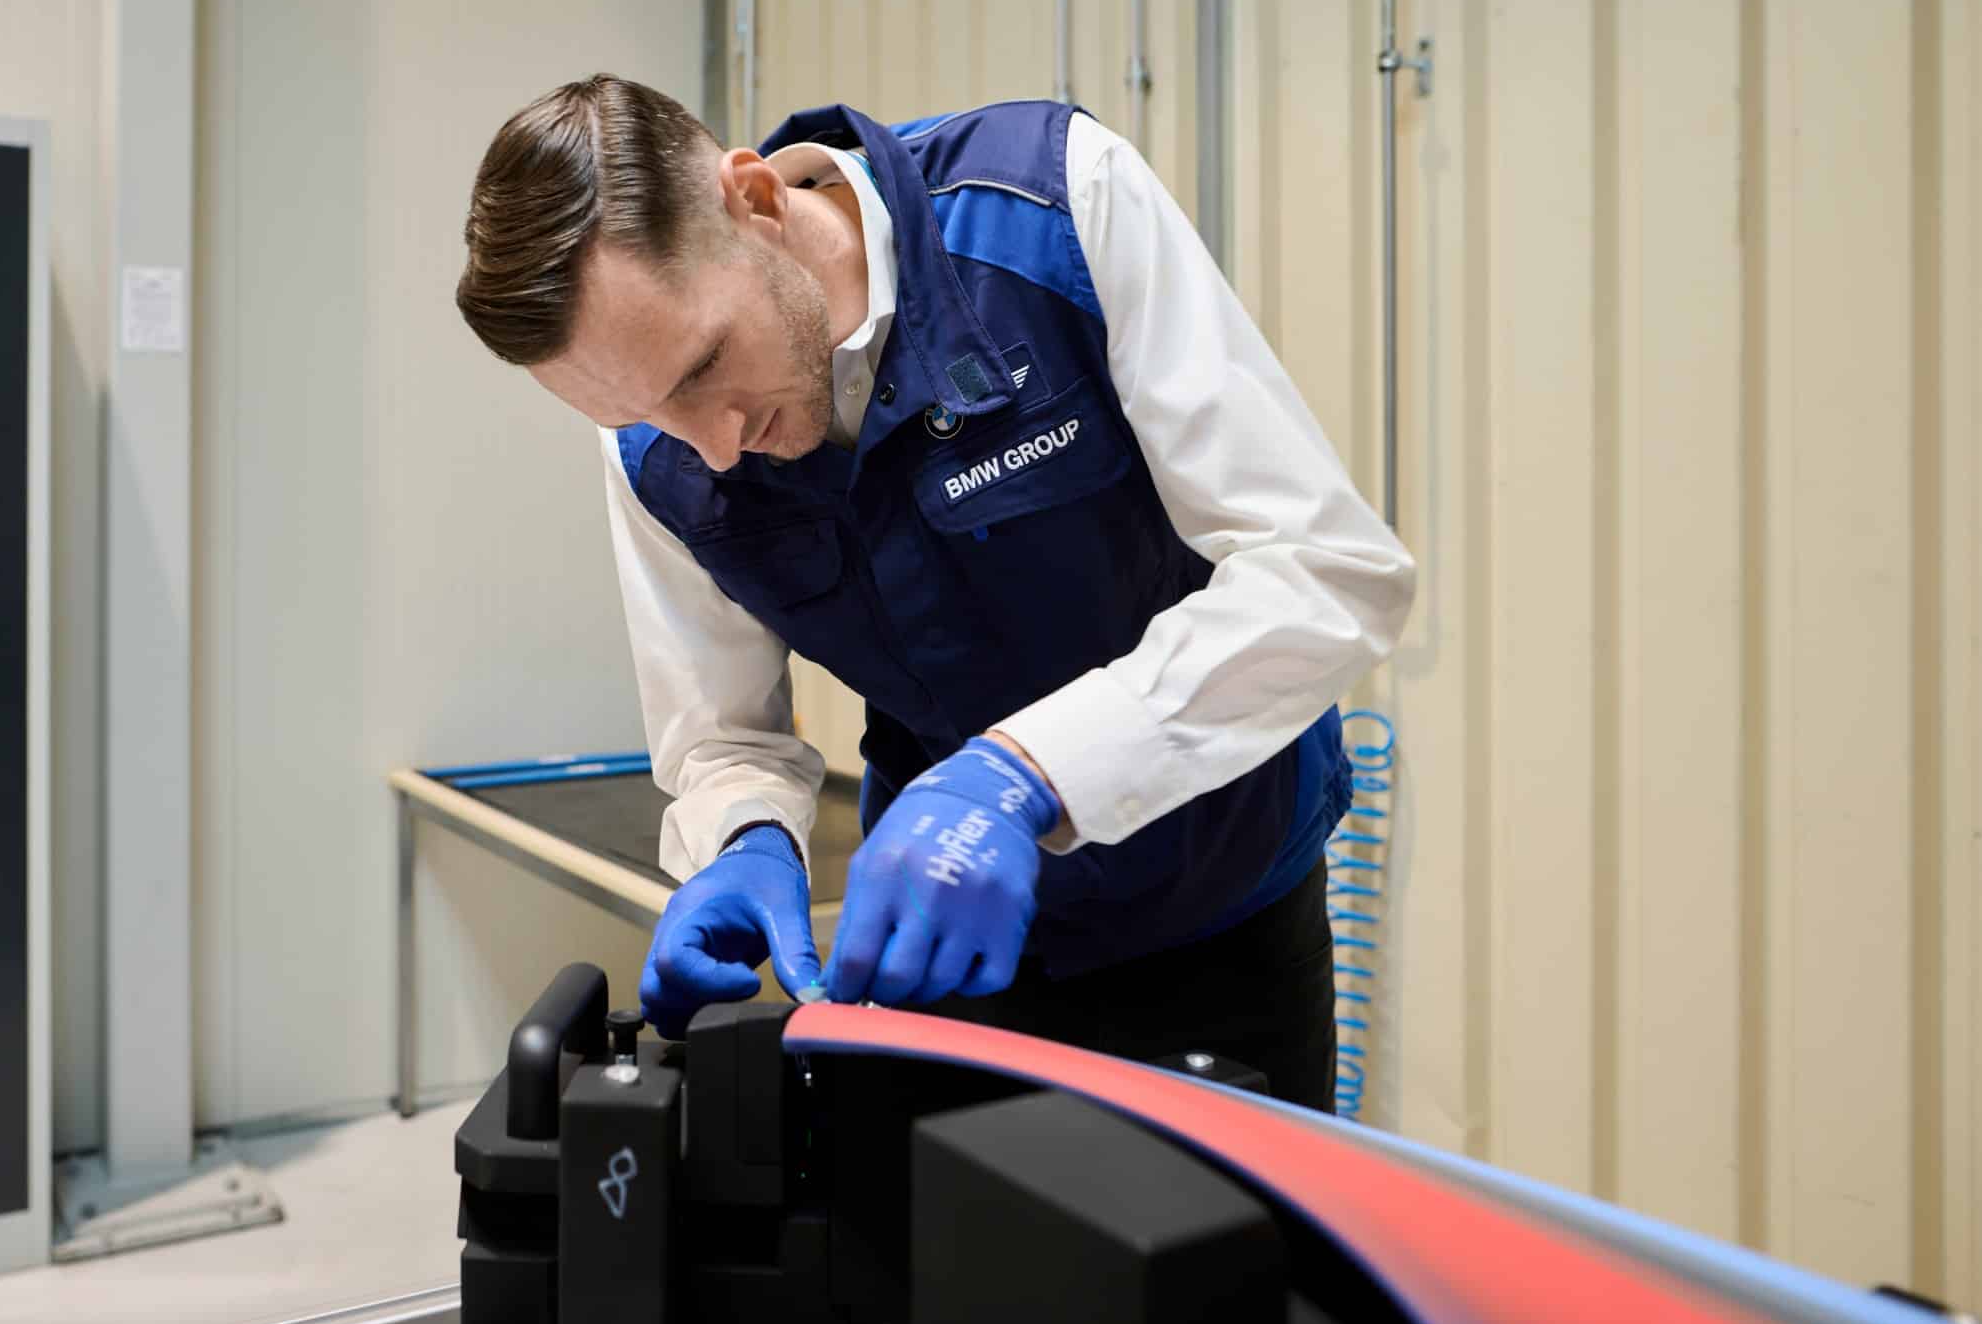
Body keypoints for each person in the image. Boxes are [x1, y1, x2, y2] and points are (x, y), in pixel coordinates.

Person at [454, 76, 1414, 1108]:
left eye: (703, 368)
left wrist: (1022, 774)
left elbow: (1322, 571)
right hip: (939, 951)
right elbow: (725, 739)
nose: (715, 448)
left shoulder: (1046, 212)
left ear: (757, 200)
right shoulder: (656, 447)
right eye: (645, 412)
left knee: (1222, 1221)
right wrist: (742, 837)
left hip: (1221, 918)